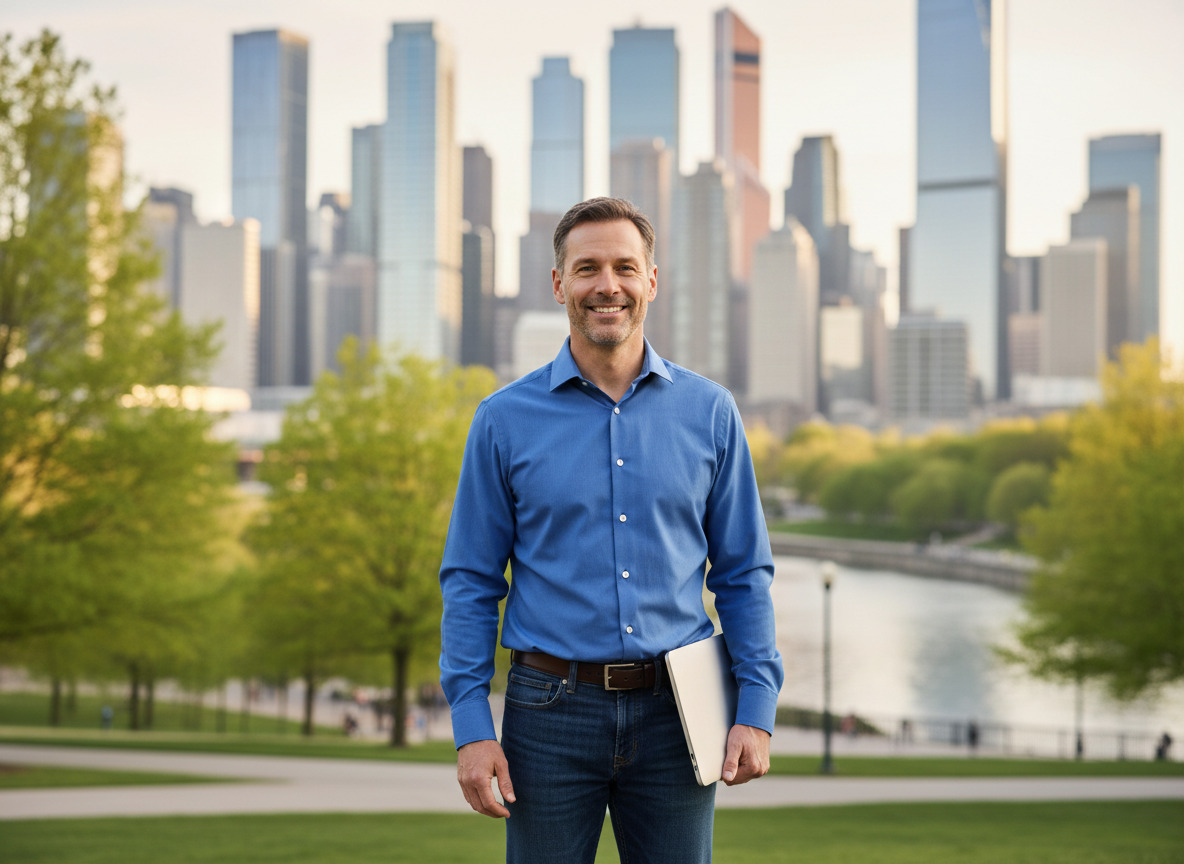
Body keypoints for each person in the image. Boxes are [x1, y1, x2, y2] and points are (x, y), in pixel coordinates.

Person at [439, 197, 783, 863]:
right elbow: (471, 583)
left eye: (625, 267)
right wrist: (471, 727)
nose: (607, 286)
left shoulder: (710, 413)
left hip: (679, 712)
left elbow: (744, 574)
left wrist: (756, 707)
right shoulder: (502, 421)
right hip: (547, 713)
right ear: (558, 283)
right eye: (587, 268)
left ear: (651, 280)